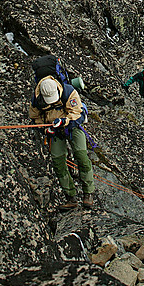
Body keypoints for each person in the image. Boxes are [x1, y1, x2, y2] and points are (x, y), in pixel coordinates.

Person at [28, 75, 94, 209]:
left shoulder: (68, 92)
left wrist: (65, 121)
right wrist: (46, 130)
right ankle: (71, 197)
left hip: (73, 126)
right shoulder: (36, 100)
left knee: (81, 156)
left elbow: (76, 112)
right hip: (54, 130)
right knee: (58, 162)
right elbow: (36, 119)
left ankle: (88, 194)